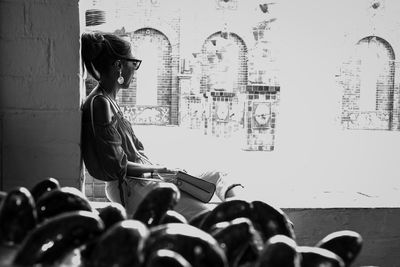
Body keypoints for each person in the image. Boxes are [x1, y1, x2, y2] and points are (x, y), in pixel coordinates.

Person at [80, 32, 245, 219]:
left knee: (219, 174)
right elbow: (116, 167)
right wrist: (160, 170)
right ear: (119, 66)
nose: (134, 69)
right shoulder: (100, 103)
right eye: (133, 63)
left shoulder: (108, 100)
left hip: (146, 177)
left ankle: (249, 212)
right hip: (131, 186)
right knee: (204, 215)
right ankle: (245, 223)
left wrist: (162, 170)